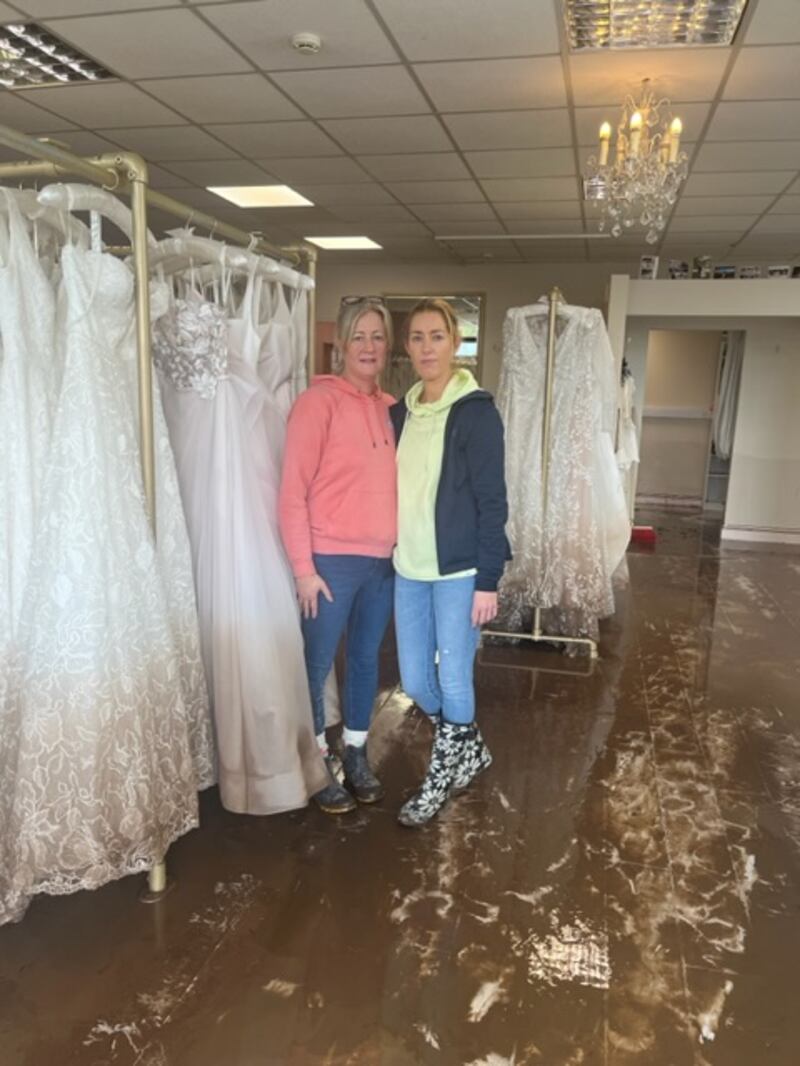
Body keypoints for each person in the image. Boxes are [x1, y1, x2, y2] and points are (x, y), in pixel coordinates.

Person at [390, 298, 511, 827]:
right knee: (416, 680)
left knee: (455, 678)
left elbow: (493, 501)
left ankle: (442, 775)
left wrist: (489, 580)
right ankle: (470, 746)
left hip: (460, 571)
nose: (426, 347)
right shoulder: (402, 411)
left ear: (455, 341)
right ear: (407, 346)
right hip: (409, 567)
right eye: (416, 337)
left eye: (436, 336)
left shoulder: (476, 411)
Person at [279, 297, 396, 814]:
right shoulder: (317, 403)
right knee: (315, 664)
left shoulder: (393, 409)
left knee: (366, 660)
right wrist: (304, 570)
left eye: (378, 336)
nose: (368, 346)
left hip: (383, 562)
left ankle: (355, 752)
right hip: (330, 561)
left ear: (387, 346)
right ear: (342, 345)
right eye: (359, 336)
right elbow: (291, 493)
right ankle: (315, 763)